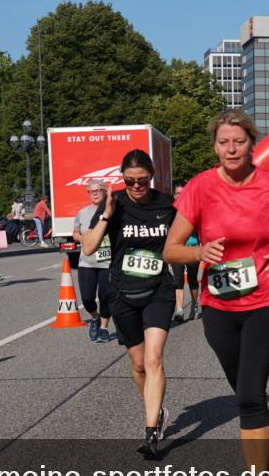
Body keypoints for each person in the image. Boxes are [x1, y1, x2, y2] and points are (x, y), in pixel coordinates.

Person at [165, 110, 269, 476]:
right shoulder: (199, 188)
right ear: (216, 146)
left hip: (268, 299)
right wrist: (199, 253)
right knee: (243, 390)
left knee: (249, 397)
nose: (231, 149)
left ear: (253, 145)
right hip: (219, 305)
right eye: (224, 142)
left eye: (239, 142)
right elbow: (171, 249)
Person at [83, 150, 176, 459]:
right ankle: (157, 410)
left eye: (143, 181)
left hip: (158, 289)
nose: (137, 187)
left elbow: (185, 237)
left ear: (152, 179)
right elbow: (88, 246)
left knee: (154, 359)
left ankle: (151, 432)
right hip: (122, 293)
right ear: (122, 180)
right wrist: (107, 212)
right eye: (130, 181)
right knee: (138, 366)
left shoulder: (166, 204)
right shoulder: (116, 204)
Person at [73, 179, 113, 343]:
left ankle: (103, 328)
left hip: (107, 263)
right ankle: (95, 318)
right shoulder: (82, 213)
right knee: (87, 298)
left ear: (104, 192)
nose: (95, 193)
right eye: (92, 191)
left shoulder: (111, 211)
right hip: (87, 262)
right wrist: (83, 239)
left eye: (98, 190)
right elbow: (75, 233)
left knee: (105, 297)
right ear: (88, 194)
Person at [169, 183, 201, 324]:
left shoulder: (193, 210)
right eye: (177, 193)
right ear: (174, 195)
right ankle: (179, 309)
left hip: (191, 249)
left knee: (193, 279)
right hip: (177, 249)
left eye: (182, 193)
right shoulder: (170, 211)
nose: (180, 196)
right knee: (178, 281)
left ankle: (194, 304)